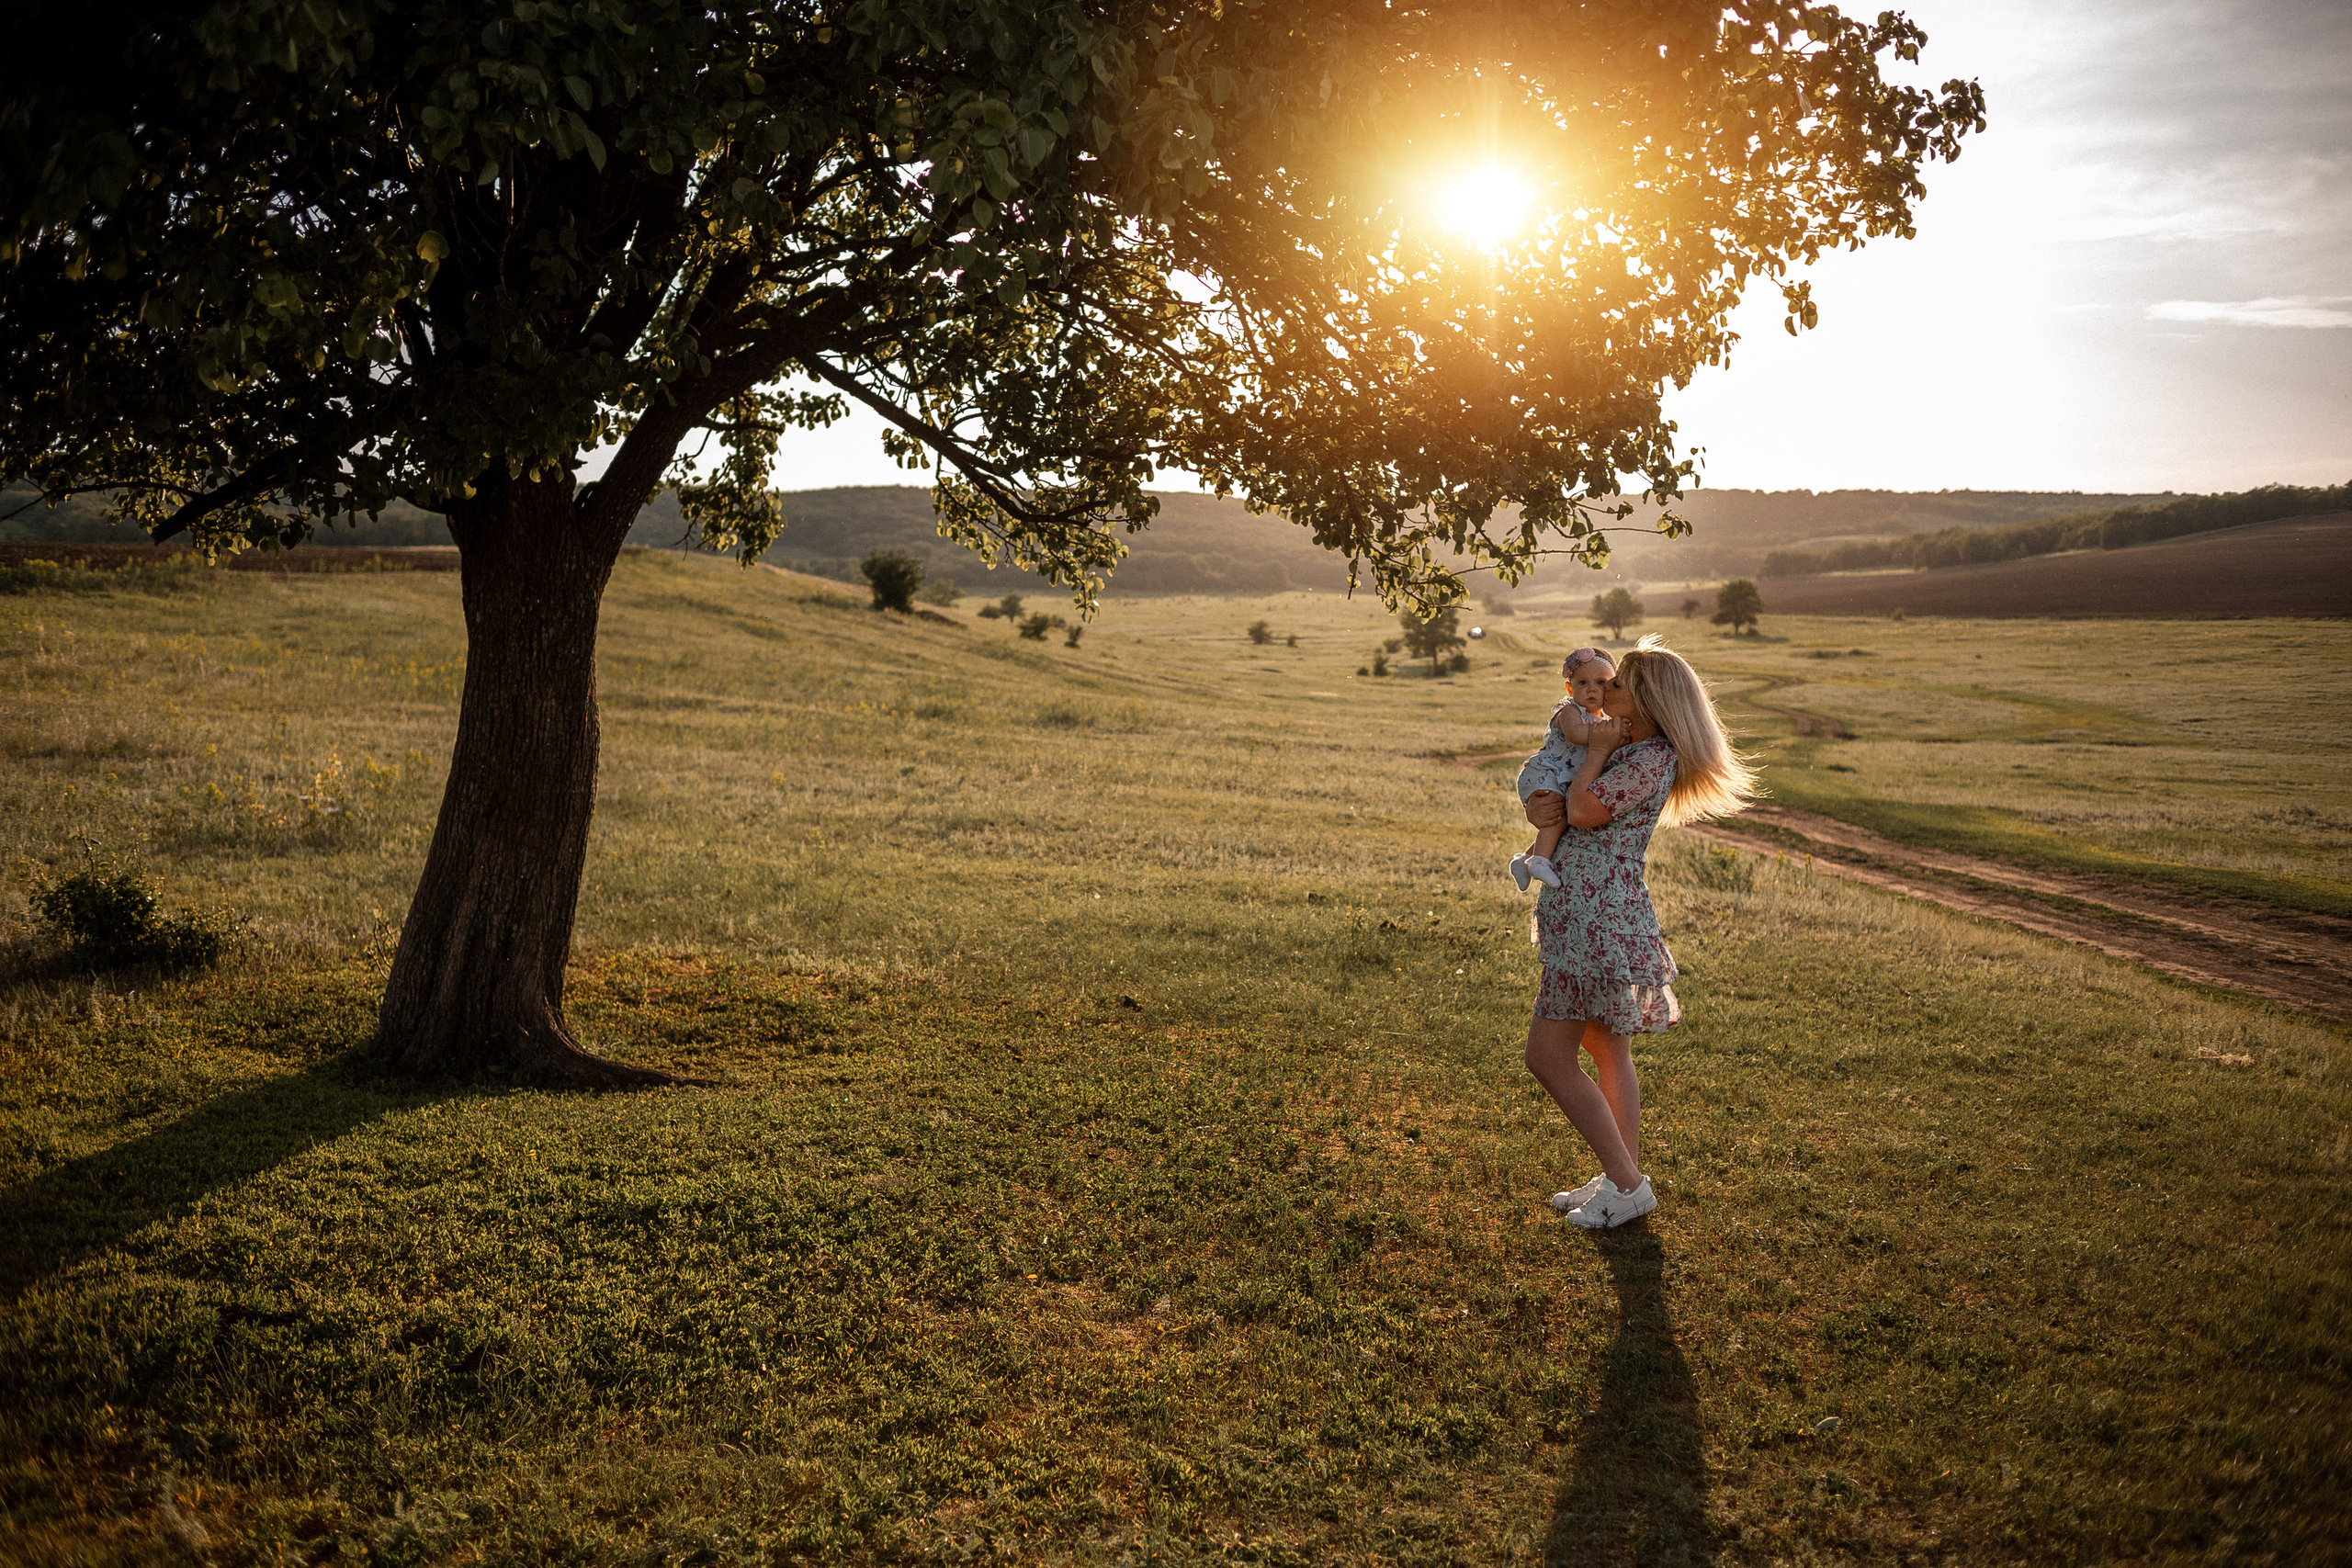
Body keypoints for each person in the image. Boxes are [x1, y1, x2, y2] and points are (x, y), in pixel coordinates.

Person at [1520, 637, 1757, 1228]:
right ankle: (1620, 1177)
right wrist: (1538, 803)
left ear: (1647, 700)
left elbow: (1584, 811)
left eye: (1619, 685)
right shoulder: (1629, 746)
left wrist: (1594, 755)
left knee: (1547, 1057)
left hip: (1599, 920)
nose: (1606, 693)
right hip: (1591, 912)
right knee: (1604, 1045)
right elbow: (1559, 797)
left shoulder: (1650, 758)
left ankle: (1628, 1188)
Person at [1510, 648, 1622, 890]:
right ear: (1570, 689)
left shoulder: (1605, 721)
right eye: (1583, 682)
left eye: (1600, 683)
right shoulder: (1569, 712)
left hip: (1563, 778)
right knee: (1557, 818)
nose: (1592, 689)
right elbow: (1577, 734)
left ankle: (1524, 859)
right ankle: (1540, 862)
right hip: (1546, 773)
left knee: (1561, 820)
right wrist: (1611, 735)